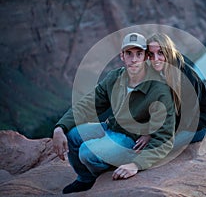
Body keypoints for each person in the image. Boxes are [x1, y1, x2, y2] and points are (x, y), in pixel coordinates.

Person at [52, 32, 175, 194]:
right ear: (121, 56)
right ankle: (85, 179)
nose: (134, 59)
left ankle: (108, 171)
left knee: (87, 153)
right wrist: (60, 127)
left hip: (131, 139)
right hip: (111, 127)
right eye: (129, 54)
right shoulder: (115, 77)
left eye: (139, 54)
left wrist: (137, 164)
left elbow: (165, 138)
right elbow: (88, 104)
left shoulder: (159, 90)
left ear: (145, 57)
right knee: (72, 135)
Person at [144, 33, 206, 155]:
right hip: (169, 125)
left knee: (154, 149)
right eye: (151, 54)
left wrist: (153, 134)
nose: (156, 59)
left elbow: (186, 119)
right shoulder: (154, 74)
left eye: (160, 53)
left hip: (193, 127)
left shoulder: (186, 76)